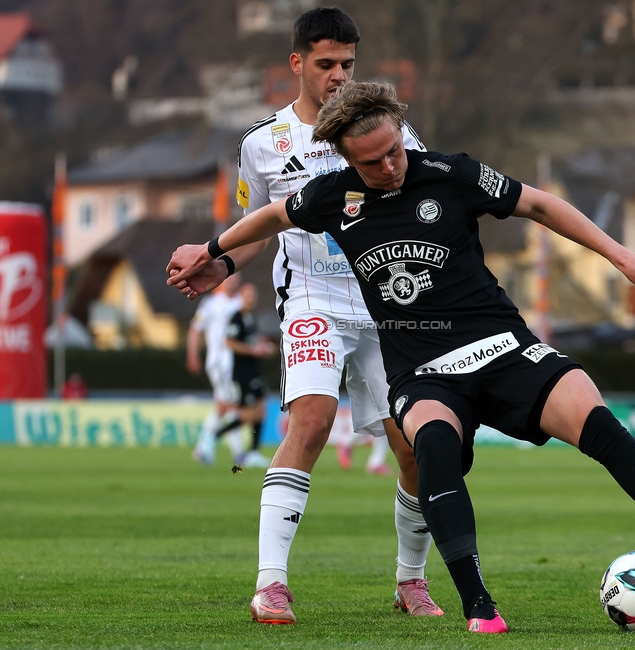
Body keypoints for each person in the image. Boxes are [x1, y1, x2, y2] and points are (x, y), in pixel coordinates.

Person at [167, 81, 635, 634]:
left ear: (402, 134)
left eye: (394, 151)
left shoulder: (451, 173)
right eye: (372, 162)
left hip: (503, 347)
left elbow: (542, 206)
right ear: (348, 160)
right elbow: (272, 215)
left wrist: (620, 255)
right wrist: (214, 250)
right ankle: (481, 609)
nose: (389, 166)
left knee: (598, 422)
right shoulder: (331, 197)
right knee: (433, 450)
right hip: (423, 372)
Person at [207, 8, 439, 624]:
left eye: (348, 65)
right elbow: (255, 228)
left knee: (415, 446)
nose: (339, 76)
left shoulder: (393, 137)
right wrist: (222, 263)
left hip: (384, 305)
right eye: (326, 64)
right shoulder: (263, 143)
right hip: (311, 298)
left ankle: (410, 581)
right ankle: (270, 584)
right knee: (310, 422)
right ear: (297, 64)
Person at [188, 274, 244, 465]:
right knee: (226, 405)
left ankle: (206, 448)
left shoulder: (239, 301)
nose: (232, 281)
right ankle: (233, 452)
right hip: (219, 362)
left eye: (236, 277)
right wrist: (193, 355)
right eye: (229, 278)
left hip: (235, 363)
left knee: (226, 406)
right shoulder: (210, 303)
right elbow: (195, 329)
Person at [218, 283, 275, 468]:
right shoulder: (236, 317)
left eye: (253, 295)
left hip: (254, 370)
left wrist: (264, 347)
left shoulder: (250, 317)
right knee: (248, 415)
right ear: (240, 297)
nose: (251, 298)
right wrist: (253, 350)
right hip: (242, 372)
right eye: (248, 295)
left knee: (261, 411)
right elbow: (229, 342)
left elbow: (253, 341)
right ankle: (214, 435)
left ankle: (254, 453)